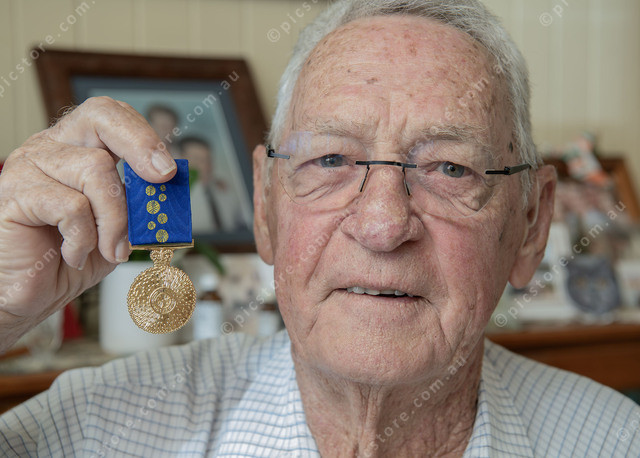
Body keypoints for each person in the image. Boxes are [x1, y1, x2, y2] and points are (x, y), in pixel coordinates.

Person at [0, 0, 638, 456]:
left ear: (530, 223)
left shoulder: (614, 441)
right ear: (265, 206)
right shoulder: (98, 429)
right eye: (330, 160)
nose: (382, 225)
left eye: (449, 167)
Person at [179, 136, 248, 232]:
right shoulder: (175, 198)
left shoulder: (223, 190)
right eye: (197, 159)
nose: (205, 166)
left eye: (208, 159)